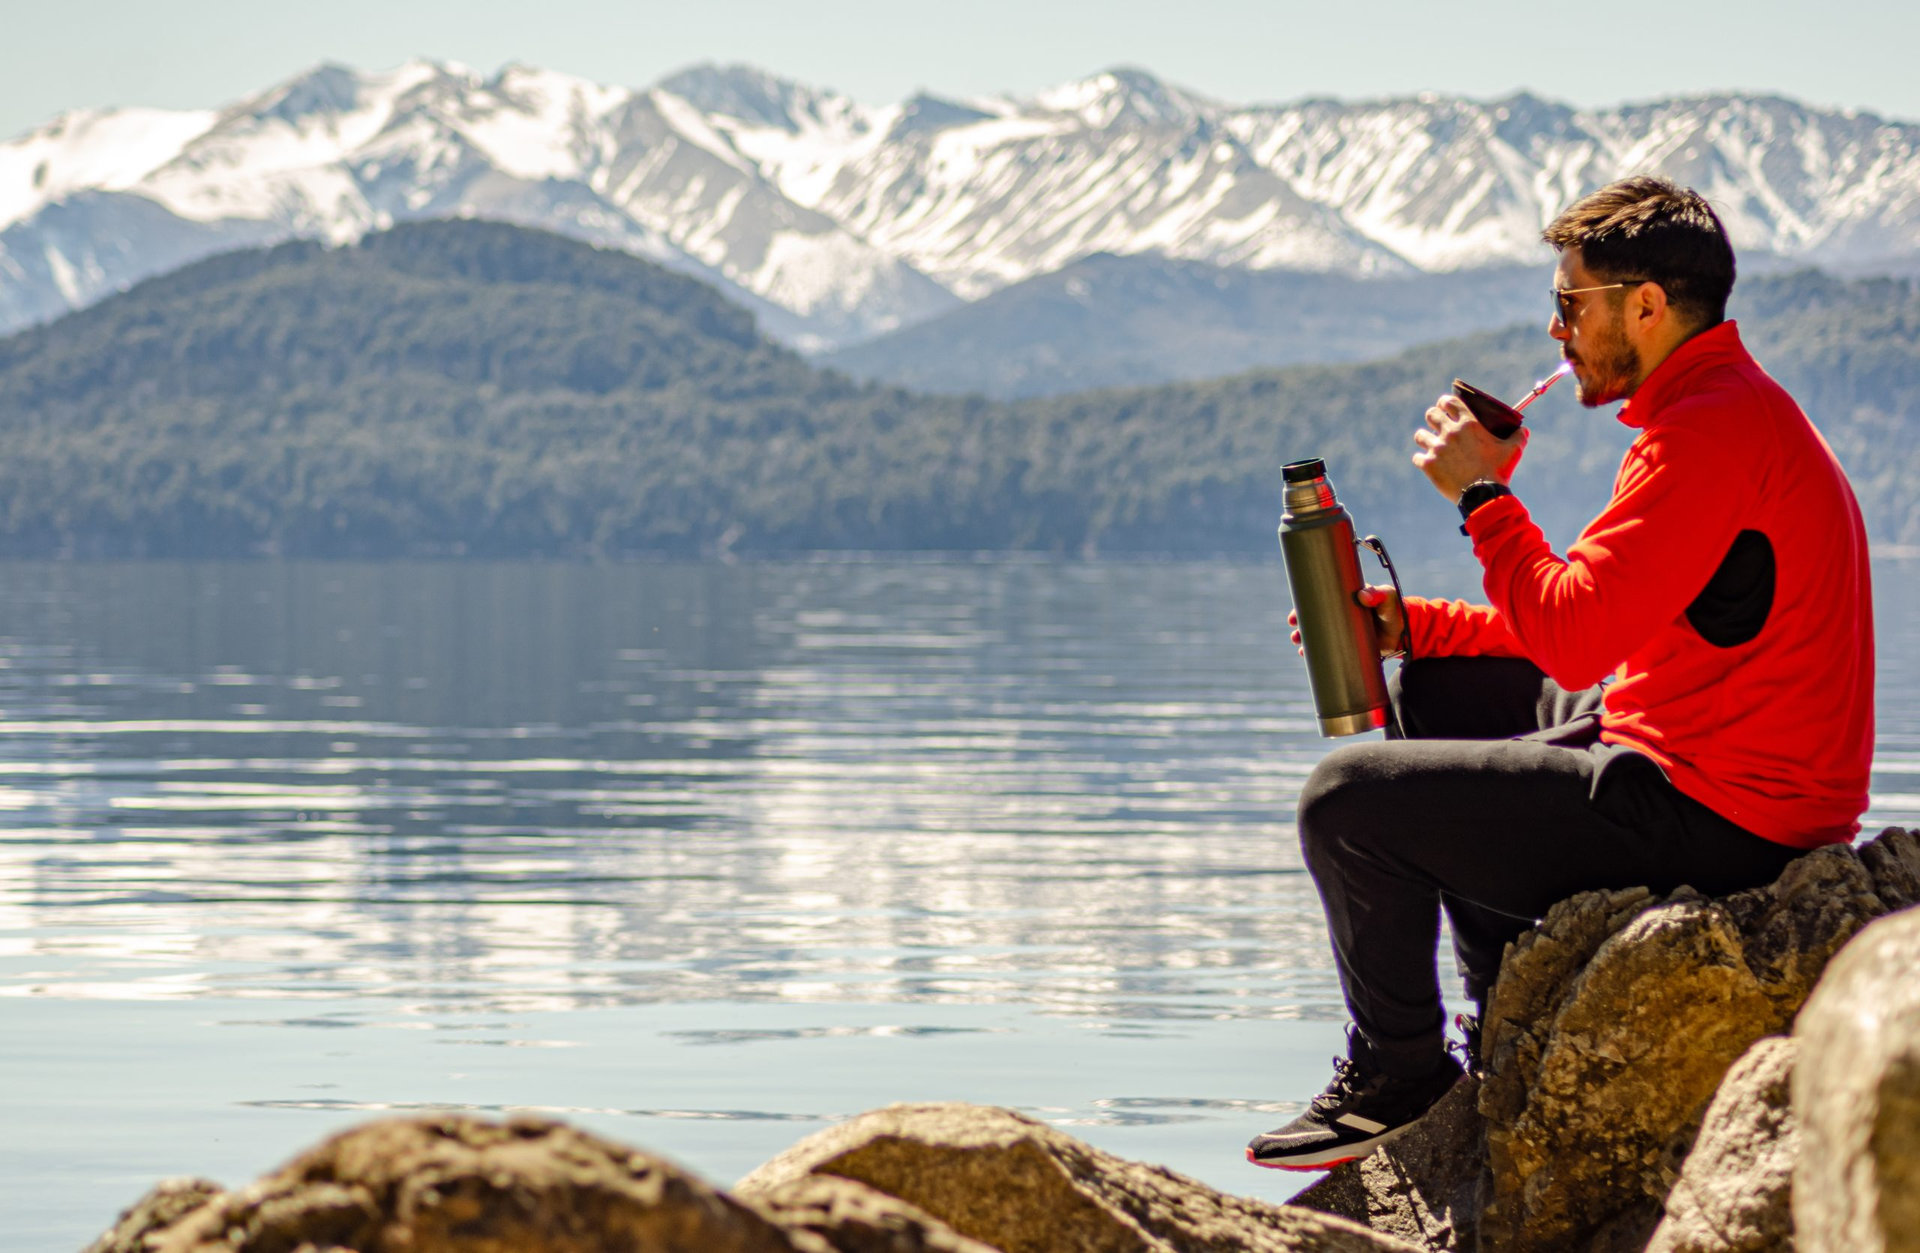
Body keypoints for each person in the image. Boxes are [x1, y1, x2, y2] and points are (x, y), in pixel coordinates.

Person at [1245, 175, 1875, 1172]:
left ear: (1647, 305)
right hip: (1701, 756)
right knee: (1434, 689)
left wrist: (1484, 493)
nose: (1555, 330)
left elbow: (1576, 641)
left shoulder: (1705, 436)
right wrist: (1424, 627)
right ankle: (1502, 1012)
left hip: (1728, 818)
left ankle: (1401, 1072)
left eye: (1569, 304)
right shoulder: (1722, 411)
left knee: (1343, 802)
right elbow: (1606, 619)